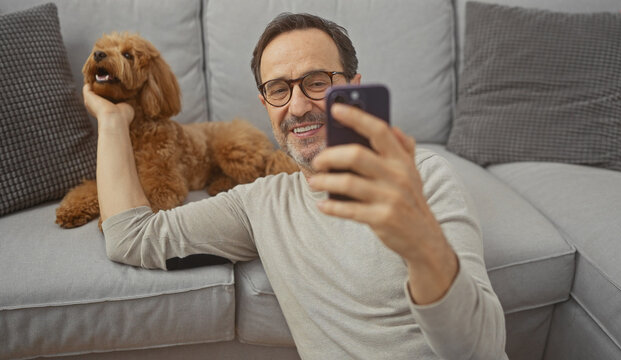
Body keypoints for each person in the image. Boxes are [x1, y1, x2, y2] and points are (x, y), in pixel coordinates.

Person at [85, 13, 507, 360]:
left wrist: (423, 248)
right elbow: (130, 238)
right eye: (279, 89)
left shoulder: (423, 177)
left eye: (318, 81)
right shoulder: (260, 203)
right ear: (265, 105)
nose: (299, 105)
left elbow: (483, 350)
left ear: (352, 88)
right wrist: (112, 121)